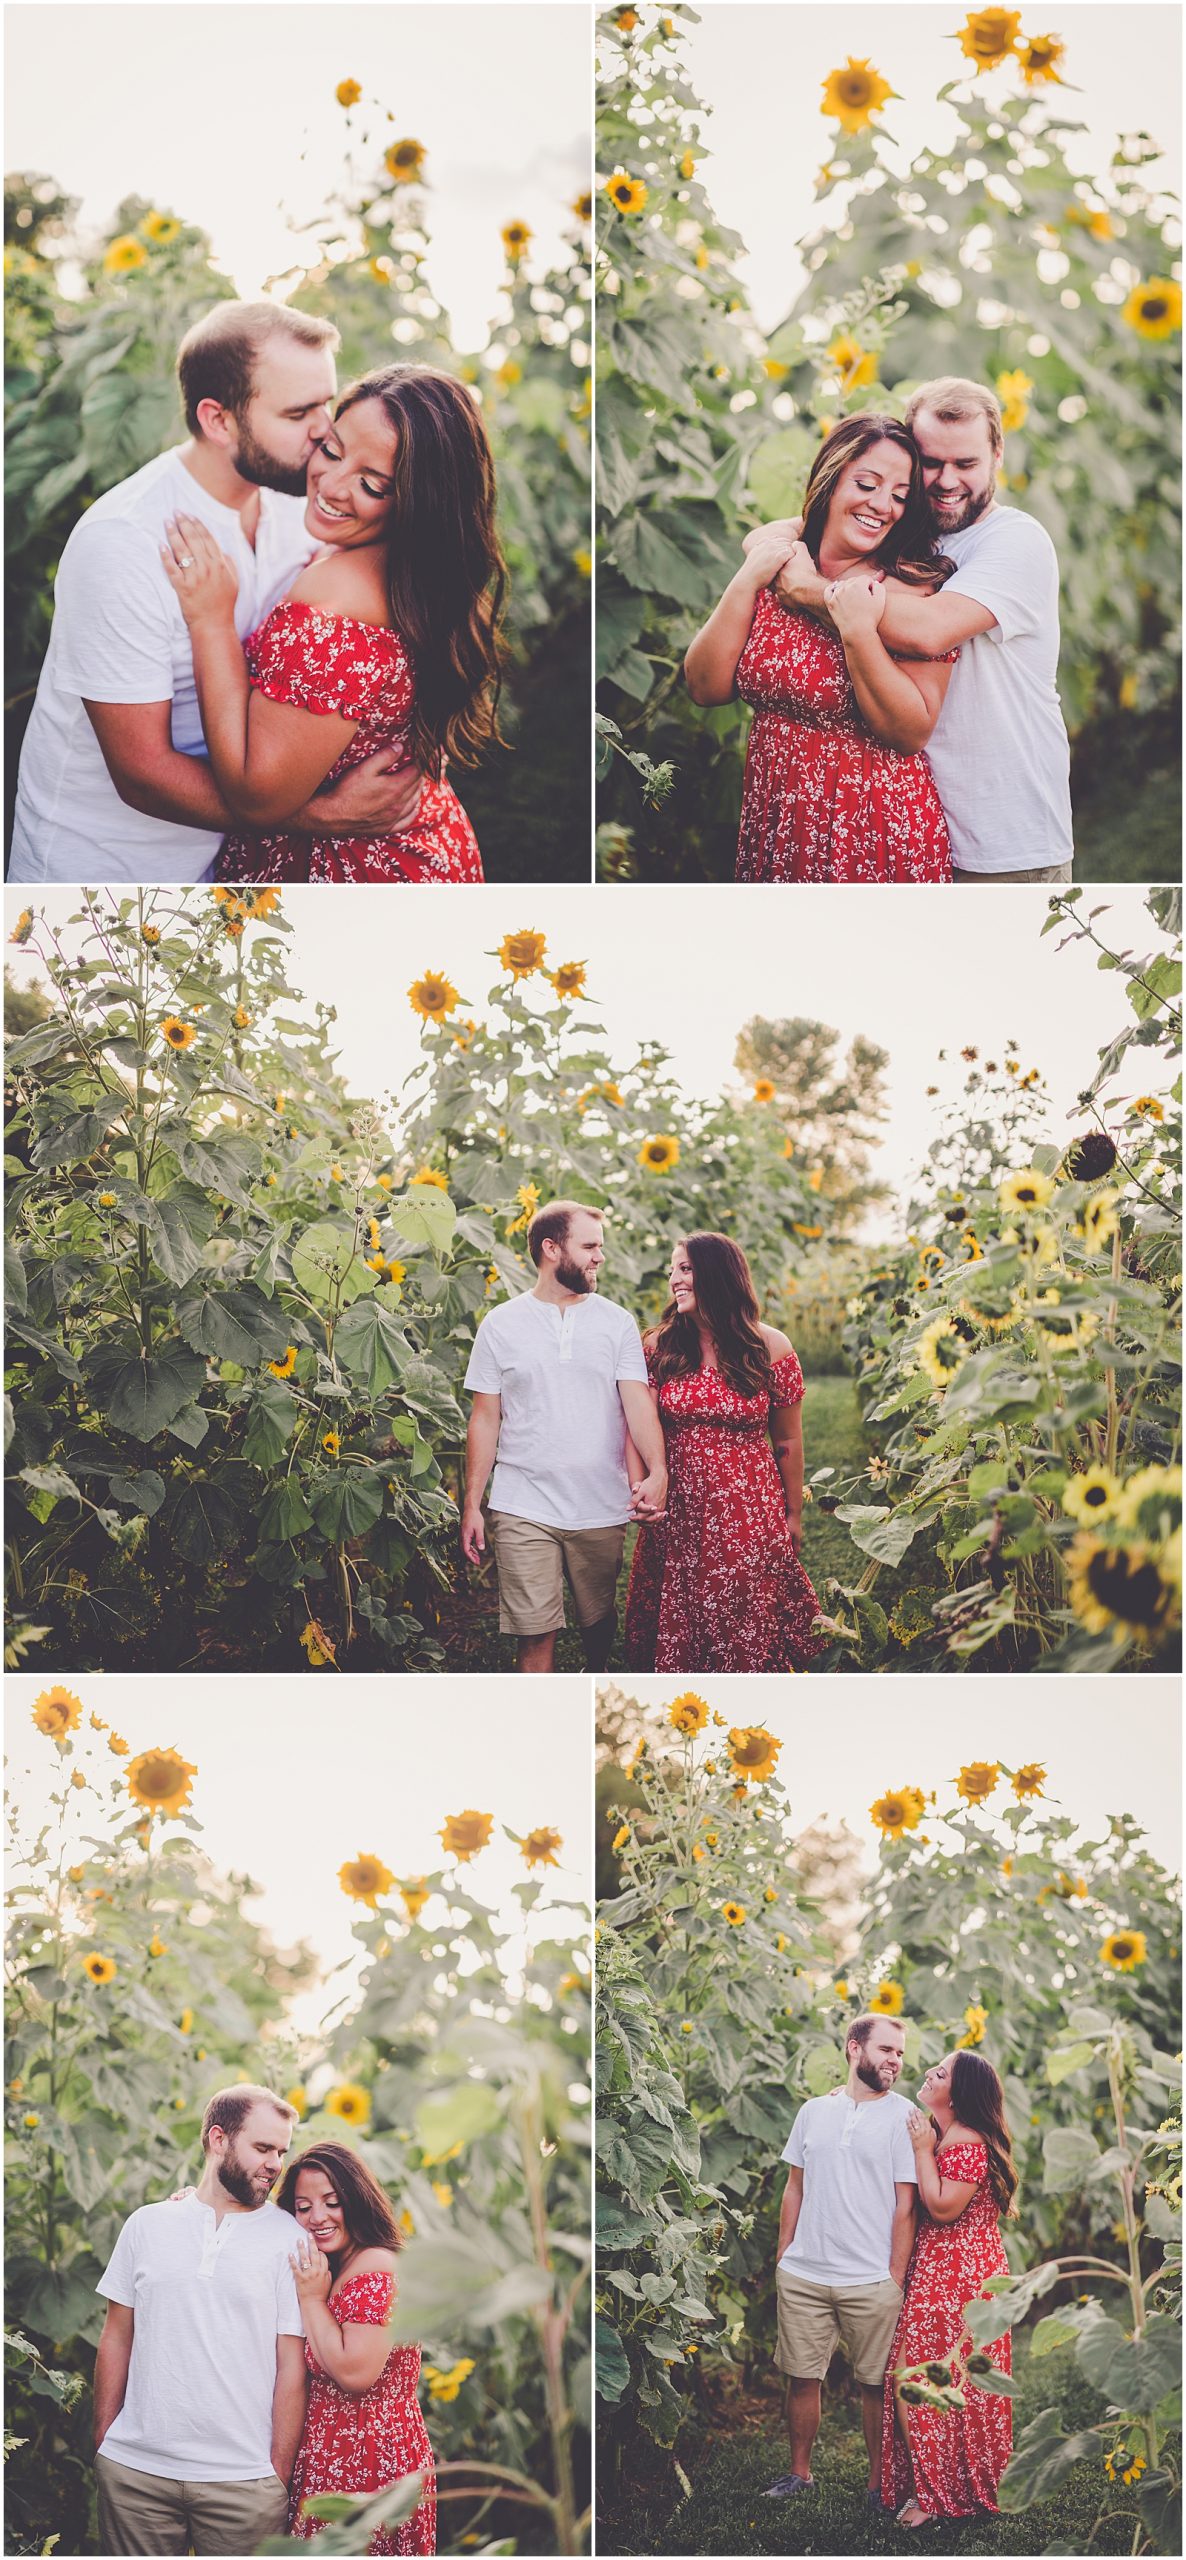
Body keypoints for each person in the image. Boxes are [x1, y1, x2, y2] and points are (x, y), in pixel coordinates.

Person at [9, 303, 426, 884]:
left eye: (326, 402)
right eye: (299, 411)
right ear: (219, 420)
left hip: (221, 872)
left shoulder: (300, 508)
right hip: (100, 878)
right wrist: (321, 816)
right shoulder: (126, 541)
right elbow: (142, 773)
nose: (325, 428)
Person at [159, 363, 505, 882]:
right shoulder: (414, 576)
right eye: (333, 450)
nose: (332, 484)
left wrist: (210, 621)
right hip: (427, 848)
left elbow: (256, 797)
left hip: (353, 875)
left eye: (371, 483)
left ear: (419, 503)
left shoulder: (336, 596)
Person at [769, 377, 1074, 882]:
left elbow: (930, 631)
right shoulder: (903, 536)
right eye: (931, 463)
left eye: (966, 464)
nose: (946, 480)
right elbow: (785, 531)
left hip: (1007, 843)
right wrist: (776, 546)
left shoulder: (1017, 541)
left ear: (997, 455)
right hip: (913, 833)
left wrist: (807, 589)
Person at [684, 413, 960, 882]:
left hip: (868, 827)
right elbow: (705, 685)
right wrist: (749, 576)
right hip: (777, 819)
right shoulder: (785, 567)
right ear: (831, 480)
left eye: (899, 495)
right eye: (867, 484)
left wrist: (857, 633)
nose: (882, 505)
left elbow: (911, 732)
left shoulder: (905, 592)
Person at [92, 2084, 305, 2556]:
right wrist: (106, 2440)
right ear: (217, 2139)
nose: (275, 2163)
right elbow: (116, 2335)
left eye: (282, 2152)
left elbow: (291, 2364)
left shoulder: (290, 2239)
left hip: (243, 2483)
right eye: (263, 2148)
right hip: (136, 2475)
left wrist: (276, 2474)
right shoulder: (146, 2224)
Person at [461, 1200, 668, 1674]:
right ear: (551, 1249)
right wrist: (473, 1503)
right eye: (590, 1246)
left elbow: (637, 1402)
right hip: (522, 1501)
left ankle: (594, 1673)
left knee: (597, 1620)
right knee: (534, 1634)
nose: (600, 1257)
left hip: (599, 1501)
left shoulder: (614, 1322)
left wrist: (658, 1470)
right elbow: (485, 1419)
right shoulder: (500, 1325)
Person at [624, 1231, 824, 1670]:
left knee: (740, 1607)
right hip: (678, 1506)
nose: (674, 1279)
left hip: (747, 1507)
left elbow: (788, 1441)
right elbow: (637, 1425)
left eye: (685, 1268)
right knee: (680, 1607)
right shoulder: (659, 1347)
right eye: (672, 1270)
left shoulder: (770, 1347)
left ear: (717, 1274)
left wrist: (793, 1515)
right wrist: (641, 1488)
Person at [765, 2012, 917, 2510]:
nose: (895, 2060)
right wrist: (785, 2251)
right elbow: (795, 2186)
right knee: (802, 2377)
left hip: (871, 2278)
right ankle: (799, 2473)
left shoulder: (904, 2117)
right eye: (886, 2049)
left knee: (876, 2384)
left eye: (899, 2051)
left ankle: (878, 2485)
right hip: (806, 2271)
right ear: (855, 2048)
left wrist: (894, 2275)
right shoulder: (813, 2111)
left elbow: (905, 2203)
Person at [276, 2141, 435, 2555]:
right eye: (303, 2206)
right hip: (339, 2458)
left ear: (357, 2201)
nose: (318, 2217)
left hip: (368, 2460)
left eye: (332, 2202)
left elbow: (354, 2373)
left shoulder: (374, 2268)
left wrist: (311, 2300)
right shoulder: (336, 2266)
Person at [882, 2048, 1017, 2527]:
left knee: (919, 2378)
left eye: (940, 2073)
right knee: (939, 2379)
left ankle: (933, 2496)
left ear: (956, 2097)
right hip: (949, 2270)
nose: (927, 2074)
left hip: (957, 2277)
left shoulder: (966, 2143)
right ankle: (939, 2486)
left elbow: (941, 2208)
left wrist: (922, 2152)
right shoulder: (948, 2133)